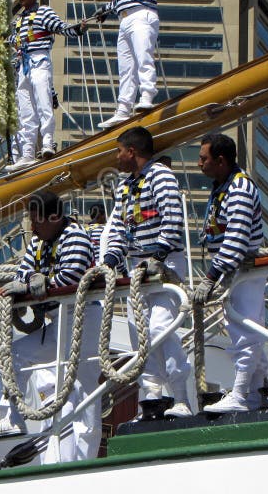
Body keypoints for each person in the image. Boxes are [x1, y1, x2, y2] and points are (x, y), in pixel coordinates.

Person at [0, 190, 101, 462]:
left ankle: (81, 461)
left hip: (83, 318)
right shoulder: (38, 241)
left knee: (82, 390)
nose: (32, 228)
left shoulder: (77, 237)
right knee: (11, 355)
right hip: (56, 320)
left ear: (55, 217)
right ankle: (12, 419)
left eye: (36, 221)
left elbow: (71, 277)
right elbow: (23, 273)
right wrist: (33, 279)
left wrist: (38, 280)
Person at [103, 126, 192, 419]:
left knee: (160, 330)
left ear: (132, 151)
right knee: (139, 339)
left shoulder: (161, 176)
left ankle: (180, 396)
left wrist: (158, 257)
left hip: (165, 266)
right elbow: (117, 228)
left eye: (118, 151)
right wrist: (111, 259)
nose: (116, 157)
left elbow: (172, 218)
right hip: (135, 270)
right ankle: (152, 400)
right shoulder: (124, 187)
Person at [192, 133, 267, 413]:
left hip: (242, 270)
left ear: (220, 160)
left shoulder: (239, 188)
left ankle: (240, 393)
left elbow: (235, 241)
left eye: (203, 158)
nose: (199, 163)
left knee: (245, 330)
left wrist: (210, 277)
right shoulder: (222, 186)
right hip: (232, 270)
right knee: (244, 330)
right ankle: (257, 394)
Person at [97, 0, 200, 129]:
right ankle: (123, 109)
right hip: (125, 19)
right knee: (126, 67)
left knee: (143, 56)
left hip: (141, 14)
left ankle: (147, 94)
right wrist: (105, 10)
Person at [6, 0, 87, 171]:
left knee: (43, 103)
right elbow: (12, 41)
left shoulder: (44, 12)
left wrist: (78, 29)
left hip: (39, 60)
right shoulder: (19, 21)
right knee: (26, 111)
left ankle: (48, 142)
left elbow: (60, 27)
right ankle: (27, 153)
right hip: (23, 66)